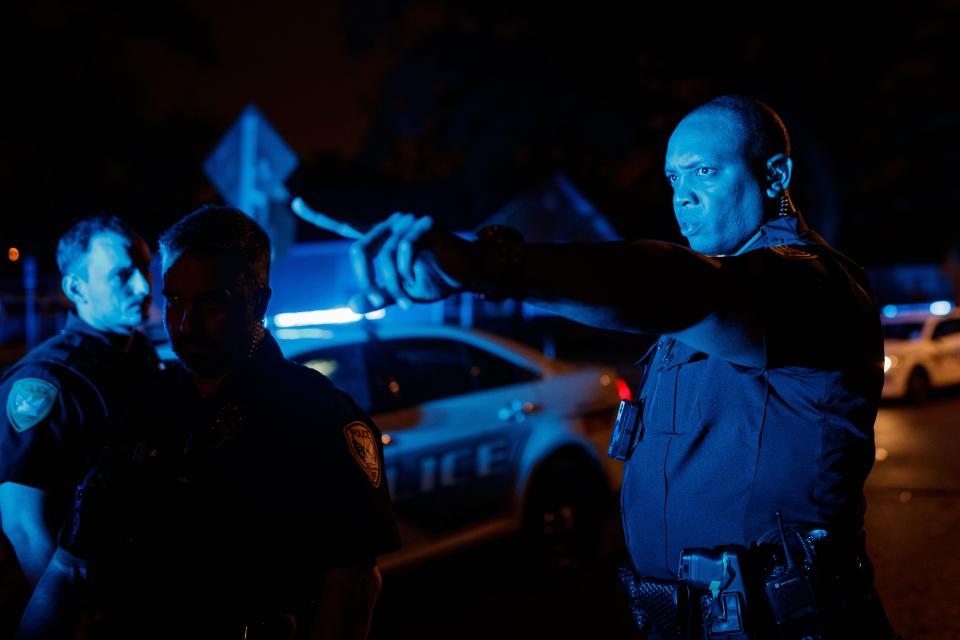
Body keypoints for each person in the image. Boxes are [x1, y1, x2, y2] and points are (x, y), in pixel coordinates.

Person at [337, 96, 897, 639]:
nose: (684, 196)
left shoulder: (813, 285)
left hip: (792, 625)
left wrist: (486, 264)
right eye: (674, 179)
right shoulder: (711, 290)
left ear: (775, 176)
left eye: (704, 171)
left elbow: (675, 284)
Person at [20, 206, 400, 640]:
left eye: (211, 302)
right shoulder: (145, 408)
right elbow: (71, 566)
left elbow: (351, 585)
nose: (186, 324)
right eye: (174, 300)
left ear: (258, 300)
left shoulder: (319, 415)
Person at [0, 216, 158, 634]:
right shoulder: (48, 380)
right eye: (123, 275)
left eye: (145, 270)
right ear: (76, 289)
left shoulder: (139, 358)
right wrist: (77, 620)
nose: (143, 287)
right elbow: (22, 523)